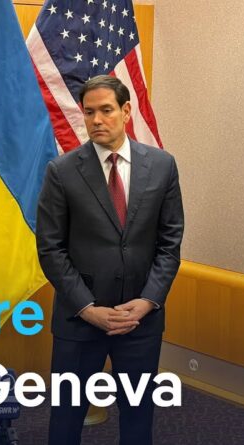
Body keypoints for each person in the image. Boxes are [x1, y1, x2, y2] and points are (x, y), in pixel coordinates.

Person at [36, 75, 184, 445]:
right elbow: (50, 249)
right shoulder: (62, 171)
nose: (97, 120)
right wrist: (87, 308)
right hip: (80, 319)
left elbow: (170, 243)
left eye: (106, 110)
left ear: (126, 111)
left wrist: (148, 301)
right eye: (89, 112)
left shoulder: (162, 166)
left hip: (139, 319)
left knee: (137, 416)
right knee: (66, 417)